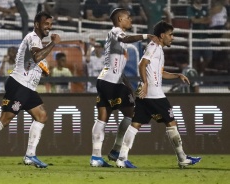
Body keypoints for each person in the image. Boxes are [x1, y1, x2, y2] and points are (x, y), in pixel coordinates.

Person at [0, 11, 61, 170]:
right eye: (46, 24)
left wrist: (42, 69)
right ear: (37, 24)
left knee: (41, 116)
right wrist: (53, 44)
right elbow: (37, 57)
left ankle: (30, 155)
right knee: (4, 119)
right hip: (19, 85)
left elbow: (36, 61)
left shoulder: (38, 42)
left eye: (51, 25)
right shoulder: (32, 37)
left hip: (28, 88)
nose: (49, 27)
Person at [115, 21, 202, 169]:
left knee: (135, 125)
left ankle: (122, 158)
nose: (172, 37)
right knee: (171, 123)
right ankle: (182, 158)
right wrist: (146, 83)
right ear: (162, 35)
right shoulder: (154, 47)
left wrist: (177, 75)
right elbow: (141, 64)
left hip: (146, 95)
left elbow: (159, 73)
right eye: (170, 34)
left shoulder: (158, 49)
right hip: (154, 94)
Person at [90, 8, 158, 167]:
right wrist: (146, 36)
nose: (131, 20)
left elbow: (118, 68)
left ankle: (96, 157)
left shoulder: (116, 39)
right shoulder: (115, 32)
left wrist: (128, 87)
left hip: (106, 80)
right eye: (128, 17)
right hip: (111, 82)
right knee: (133, 115)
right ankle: (118, 151)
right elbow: (126, 39)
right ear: (120, 19)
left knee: (103, 118)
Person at [187, 0, 212, 76]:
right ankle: (195, 78)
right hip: (195, 37)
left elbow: (209, 21)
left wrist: (199, 20)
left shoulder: (205, 8)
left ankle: (201, 73)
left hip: (205, 37)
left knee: (208, 57)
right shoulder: (190, 9)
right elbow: (193, 21)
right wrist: (203, 19)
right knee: (195, 59)